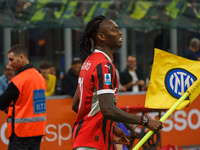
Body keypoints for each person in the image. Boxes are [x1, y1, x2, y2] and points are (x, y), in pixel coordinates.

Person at [72, 15, 163, 150]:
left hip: (84, 140)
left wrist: (111, 128)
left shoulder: (89, 62)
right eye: (114, 30)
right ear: (101, 37)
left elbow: (76, 105)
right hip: (93, 143)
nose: (120, 33)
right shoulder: (103, 65)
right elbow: (108, 109)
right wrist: (145, 121)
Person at [0, 44, 46, 150]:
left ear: (21, 57)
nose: (10, 64)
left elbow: (2, 102)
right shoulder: (40, 77)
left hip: (21, 133)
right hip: (38, 132)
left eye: (11, 60)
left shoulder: (18, 80)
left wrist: (7, 108)